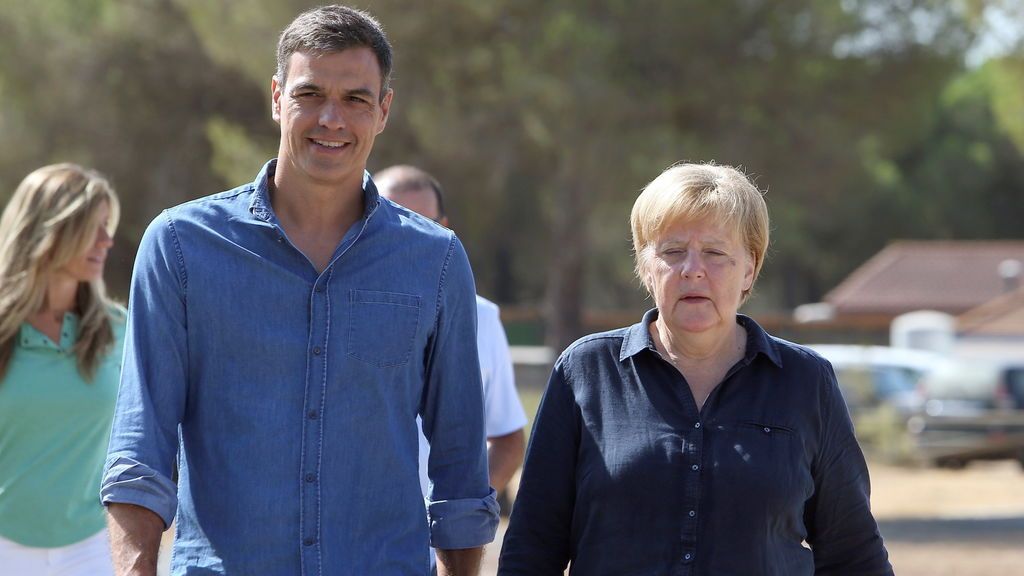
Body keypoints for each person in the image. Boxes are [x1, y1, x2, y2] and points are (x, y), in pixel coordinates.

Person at [100, 6, 497, 576]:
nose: (331, 119)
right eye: (310, 94)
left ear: (383, 110)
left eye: (356, 98)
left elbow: (461, 466)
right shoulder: (182, 248)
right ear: (276, 97)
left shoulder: (434, 262)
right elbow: (141, 451)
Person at [498, 163, 893, 575]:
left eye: (715, 252)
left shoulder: (805, 382)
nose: (692, 269)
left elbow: (854, 556)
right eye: (671, 252)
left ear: (749, 270)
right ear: (646, 267)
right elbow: (532, 548)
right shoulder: (585, 372)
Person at [374, 165, 528, 500]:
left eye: (423, 225)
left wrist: (461, 516)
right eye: (392, 221)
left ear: (444, 229)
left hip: (437, 549)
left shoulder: (483, 317)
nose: (407, 239)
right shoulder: (337, 310)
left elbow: (507, 438)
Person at [0, 163, 124, 575]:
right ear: (49, 230)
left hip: (92, 549)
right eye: (92, 226)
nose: (107, 240)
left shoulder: (120, 331)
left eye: (108, 226)